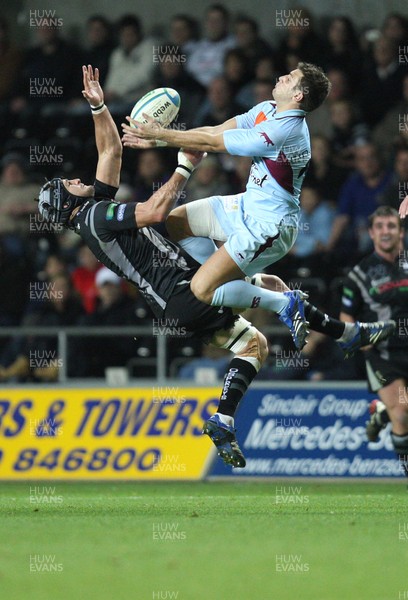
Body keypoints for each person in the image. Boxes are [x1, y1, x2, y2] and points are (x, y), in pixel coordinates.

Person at [36, 65, 394, 468]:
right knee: (236, 282)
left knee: (253, 343)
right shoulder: (95, 217)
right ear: (69, 204)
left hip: (187, 287)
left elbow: (111, 151)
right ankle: (285, 305)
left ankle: (226, 416)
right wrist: (181, 161)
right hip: (184, 294)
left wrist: (100, 106)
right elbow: (155, 209)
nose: (76, 179)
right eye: (68, 184)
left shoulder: (91, 208)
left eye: (290, 76)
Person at [122, 62, 332, 350]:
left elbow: (214, 142)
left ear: (298, 96)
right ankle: (228, 284)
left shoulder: (286, 132)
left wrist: (161, 134)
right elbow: (216, 130)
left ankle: (283, 302)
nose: (282, 76)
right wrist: (158, 139)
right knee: (177, 221)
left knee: (201, 288)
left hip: (269, 227)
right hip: (245, 205)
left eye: (290, 78)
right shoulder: (268, 109)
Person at [340, 206, 408, 478]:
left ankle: (381, 414)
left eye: (391, 226)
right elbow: (346, 313)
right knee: (402, 413)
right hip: (384, 353)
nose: (385, 232)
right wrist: (360, 341)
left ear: (401, 231)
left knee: (403, 409)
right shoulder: (360, 273)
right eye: (379, 227)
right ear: (371, 233)